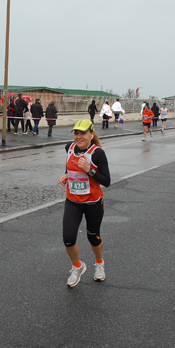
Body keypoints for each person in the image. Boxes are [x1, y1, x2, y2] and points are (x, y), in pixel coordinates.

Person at [59, 119, 111, 287]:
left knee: (93, 237)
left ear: (91, 134)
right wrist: (66, 175)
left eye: (82, 133)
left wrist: (89, 170)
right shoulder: (69, 148)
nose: (79, 137)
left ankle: (99, 263)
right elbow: (69, 167)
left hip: (93, 203)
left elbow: (106, 181)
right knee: (68, 237)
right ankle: (77, 266)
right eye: (76, 133)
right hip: (73, 201)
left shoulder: (97, 154)